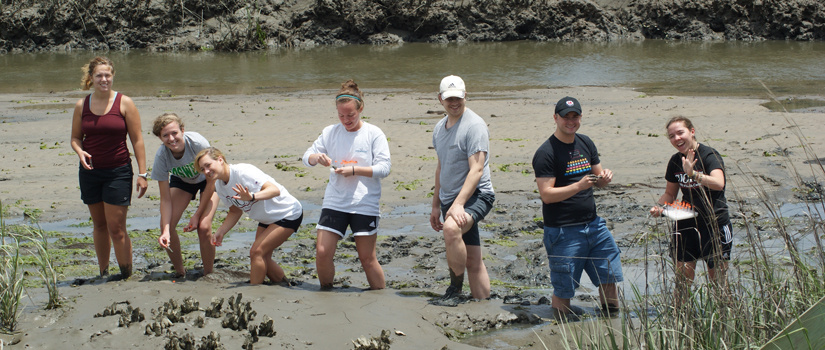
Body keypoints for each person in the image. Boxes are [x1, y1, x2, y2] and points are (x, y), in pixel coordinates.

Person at [531, 96, 623, 320]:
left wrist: (604, 178)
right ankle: (560, 330)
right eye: (566, 117)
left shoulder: (585, 143)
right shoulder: (546, 152)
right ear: (556, 118)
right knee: (564, 288)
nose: (570, 121)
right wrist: (579, 186)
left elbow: (598, 178)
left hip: (594, 225)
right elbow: (547, 195)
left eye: (575, 116)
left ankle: (611, 323)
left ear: (580, 118)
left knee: (608, 277)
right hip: (563, 231)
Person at [302, 80, 391, 291]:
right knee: (322, 252)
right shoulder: (330, 132)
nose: (346, 120)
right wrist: (317, 157)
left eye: (350, 115)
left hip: (364, 202)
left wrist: (355, 170)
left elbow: (384, 168)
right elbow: (306, 157)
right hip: (335, 201)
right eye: (341, 116)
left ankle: (380, 297)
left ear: (360, 108)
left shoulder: (373, 133)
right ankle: (327, 293)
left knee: (367, 258)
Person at [70, 56, 148, 280]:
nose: (104, 79)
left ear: (112, 76)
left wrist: (142, 174)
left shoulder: (125, 103)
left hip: (118, 171)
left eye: (108, 75)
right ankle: (103, 272)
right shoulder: (81, 105)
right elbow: (75, 138)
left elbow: (138, 140)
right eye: (99, 76)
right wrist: (79, 151)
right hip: (90, 172)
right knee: (99, 225)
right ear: (91, 78)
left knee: (116, 227)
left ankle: (126, 275)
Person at [649, 116, 732, 304]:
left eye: (680, 133)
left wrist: (693, 174)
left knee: (718, 280)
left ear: (691, 131)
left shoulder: (709, 155)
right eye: (672, 136)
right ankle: (682, 320)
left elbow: (719, 183)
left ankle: (725, 319)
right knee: (682, 280)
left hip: (714, 223)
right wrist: (660, 207)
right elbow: (670, 194)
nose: (677, 139)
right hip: (686, 222)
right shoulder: (675, 161)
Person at [429, 75, 495, 306]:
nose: (454, 102)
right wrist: (436, 205)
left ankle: (454, 290)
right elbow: (441, 167)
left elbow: (476, 169)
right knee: (474, 259)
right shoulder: (439, 128)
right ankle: (484, 304)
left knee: (451, 228)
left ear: (466, 96)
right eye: (449, 99)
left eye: (458, 97)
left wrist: (458, 204)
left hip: (477, 195)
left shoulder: (475, 125)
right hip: (450, 198)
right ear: (440, 99)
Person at [196, 147, 303, 285]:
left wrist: (252, 197)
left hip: (287, 212)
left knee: (256, 252)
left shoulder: (243, 172)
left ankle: (254, 293)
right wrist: (221, 231)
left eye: (208, 165)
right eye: (202, 169)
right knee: (263, 257)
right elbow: (235, 211)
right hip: (267, 218)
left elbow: (274, 190)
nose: (206, 171)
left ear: (220, 159)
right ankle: (284, 285)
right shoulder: (220, 186)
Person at [150, 113, 219, 277]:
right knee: (166, 225)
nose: (171, 139)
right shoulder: (162, 157)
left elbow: (211, 179)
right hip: (182, 181)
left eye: (174, 133)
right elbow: (165, 199)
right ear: (160, 138)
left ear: (182, 130)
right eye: (165, 135)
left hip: (207, 179)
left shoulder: (197, 143)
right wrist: (166, 231)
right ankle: (180, 272)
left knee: (203, 226)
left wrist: (197, 215)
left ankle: (208, 274)